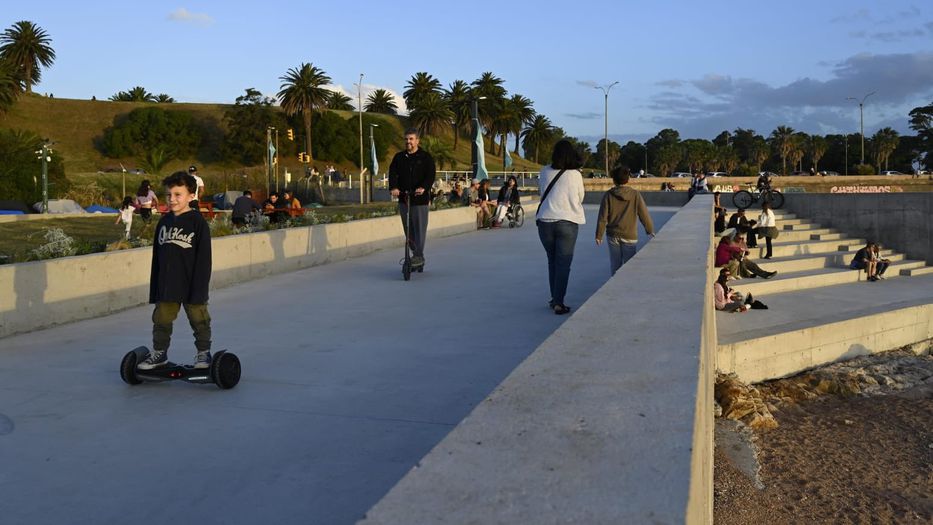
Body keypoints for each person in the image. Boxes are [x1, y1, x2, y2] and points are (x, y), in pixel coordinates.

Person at [138, 171, 212, 370]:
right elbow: (157, 258)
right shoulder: (164, 222)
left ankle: (203, 353)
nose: (172, 199)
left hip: (192, 283)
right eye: (169, 195)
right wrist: (156, 286)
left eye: (178, 194)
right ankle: (159, 353)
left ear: (191, 196)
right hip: (167, 283)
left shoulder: (198, 222)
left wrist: (200, 287)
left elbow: (204, 258)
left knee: (199, 319)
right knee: (161, 319)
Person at [537, 139, 585, 315]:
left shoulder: (544, 171)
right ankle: (559, 302)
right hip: (567, 222)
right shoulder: (575, 175)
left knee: (552, 261)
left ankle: (554, 298)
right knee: (563, 263)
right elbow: (580, 197)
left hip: (545, 222)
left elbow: (542, 192)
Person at [389, 127, 436, 269]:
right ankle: (416, 255)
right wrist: (394, 188)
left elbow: (430, 176)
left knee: (419, 229)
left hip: (420, 200)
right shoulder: (399, 157)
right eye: (406, 139)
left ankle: (418, 256)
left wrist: (423, 188)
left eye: (411, 139)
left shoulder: (425, 157)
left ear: (417, 141)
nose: (408, 141)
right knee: (408, 230)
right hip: (404, 198)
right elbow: (392, 174)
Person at [595, 166, 655, 275]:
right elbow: (643, 214)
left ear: (614, 179)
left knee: (615, 264)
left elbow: (602, 217)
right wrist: (649, 229)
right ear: (628, 179)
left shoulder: (608, 195)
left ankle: (614, 286)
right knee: (630, 266)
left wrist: (599, 235)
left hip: (613, 235)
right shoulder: (635, 195)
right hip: (629, 235)